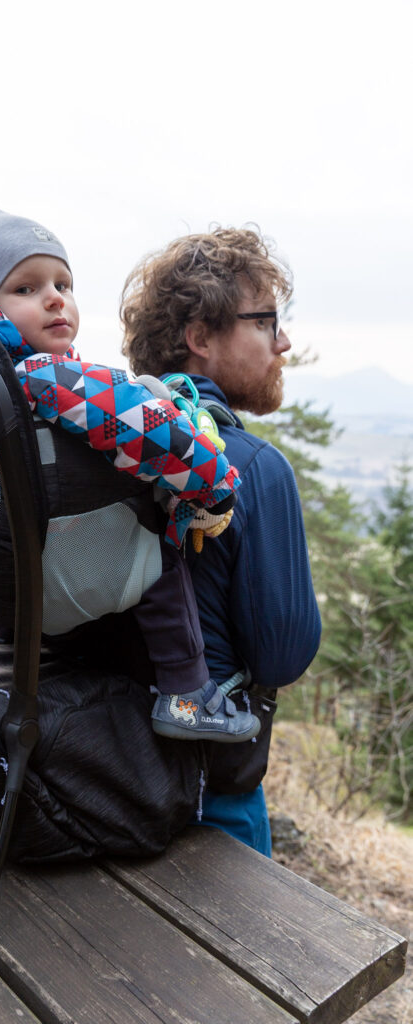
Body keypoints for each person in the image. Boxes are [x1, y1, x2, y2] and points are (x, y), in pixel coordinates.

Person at [0, 207, 259, 743]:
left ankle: (7, 648)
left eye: (63, 283)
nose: (55, 298)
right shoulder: (45, 375)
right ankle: (186, 695)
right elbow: (153, 434)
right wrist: (215, 485)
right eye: (25, 287)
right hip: (66, 577)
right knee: (155, 541)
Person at [119, 226, 322, 854]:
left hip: (101, 772)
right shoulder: (252, 467)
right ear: (200, 338)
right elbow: (282, 658)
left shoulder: (104, 442)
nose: (283, 342)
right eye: (265, 322)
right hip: (210, 798)